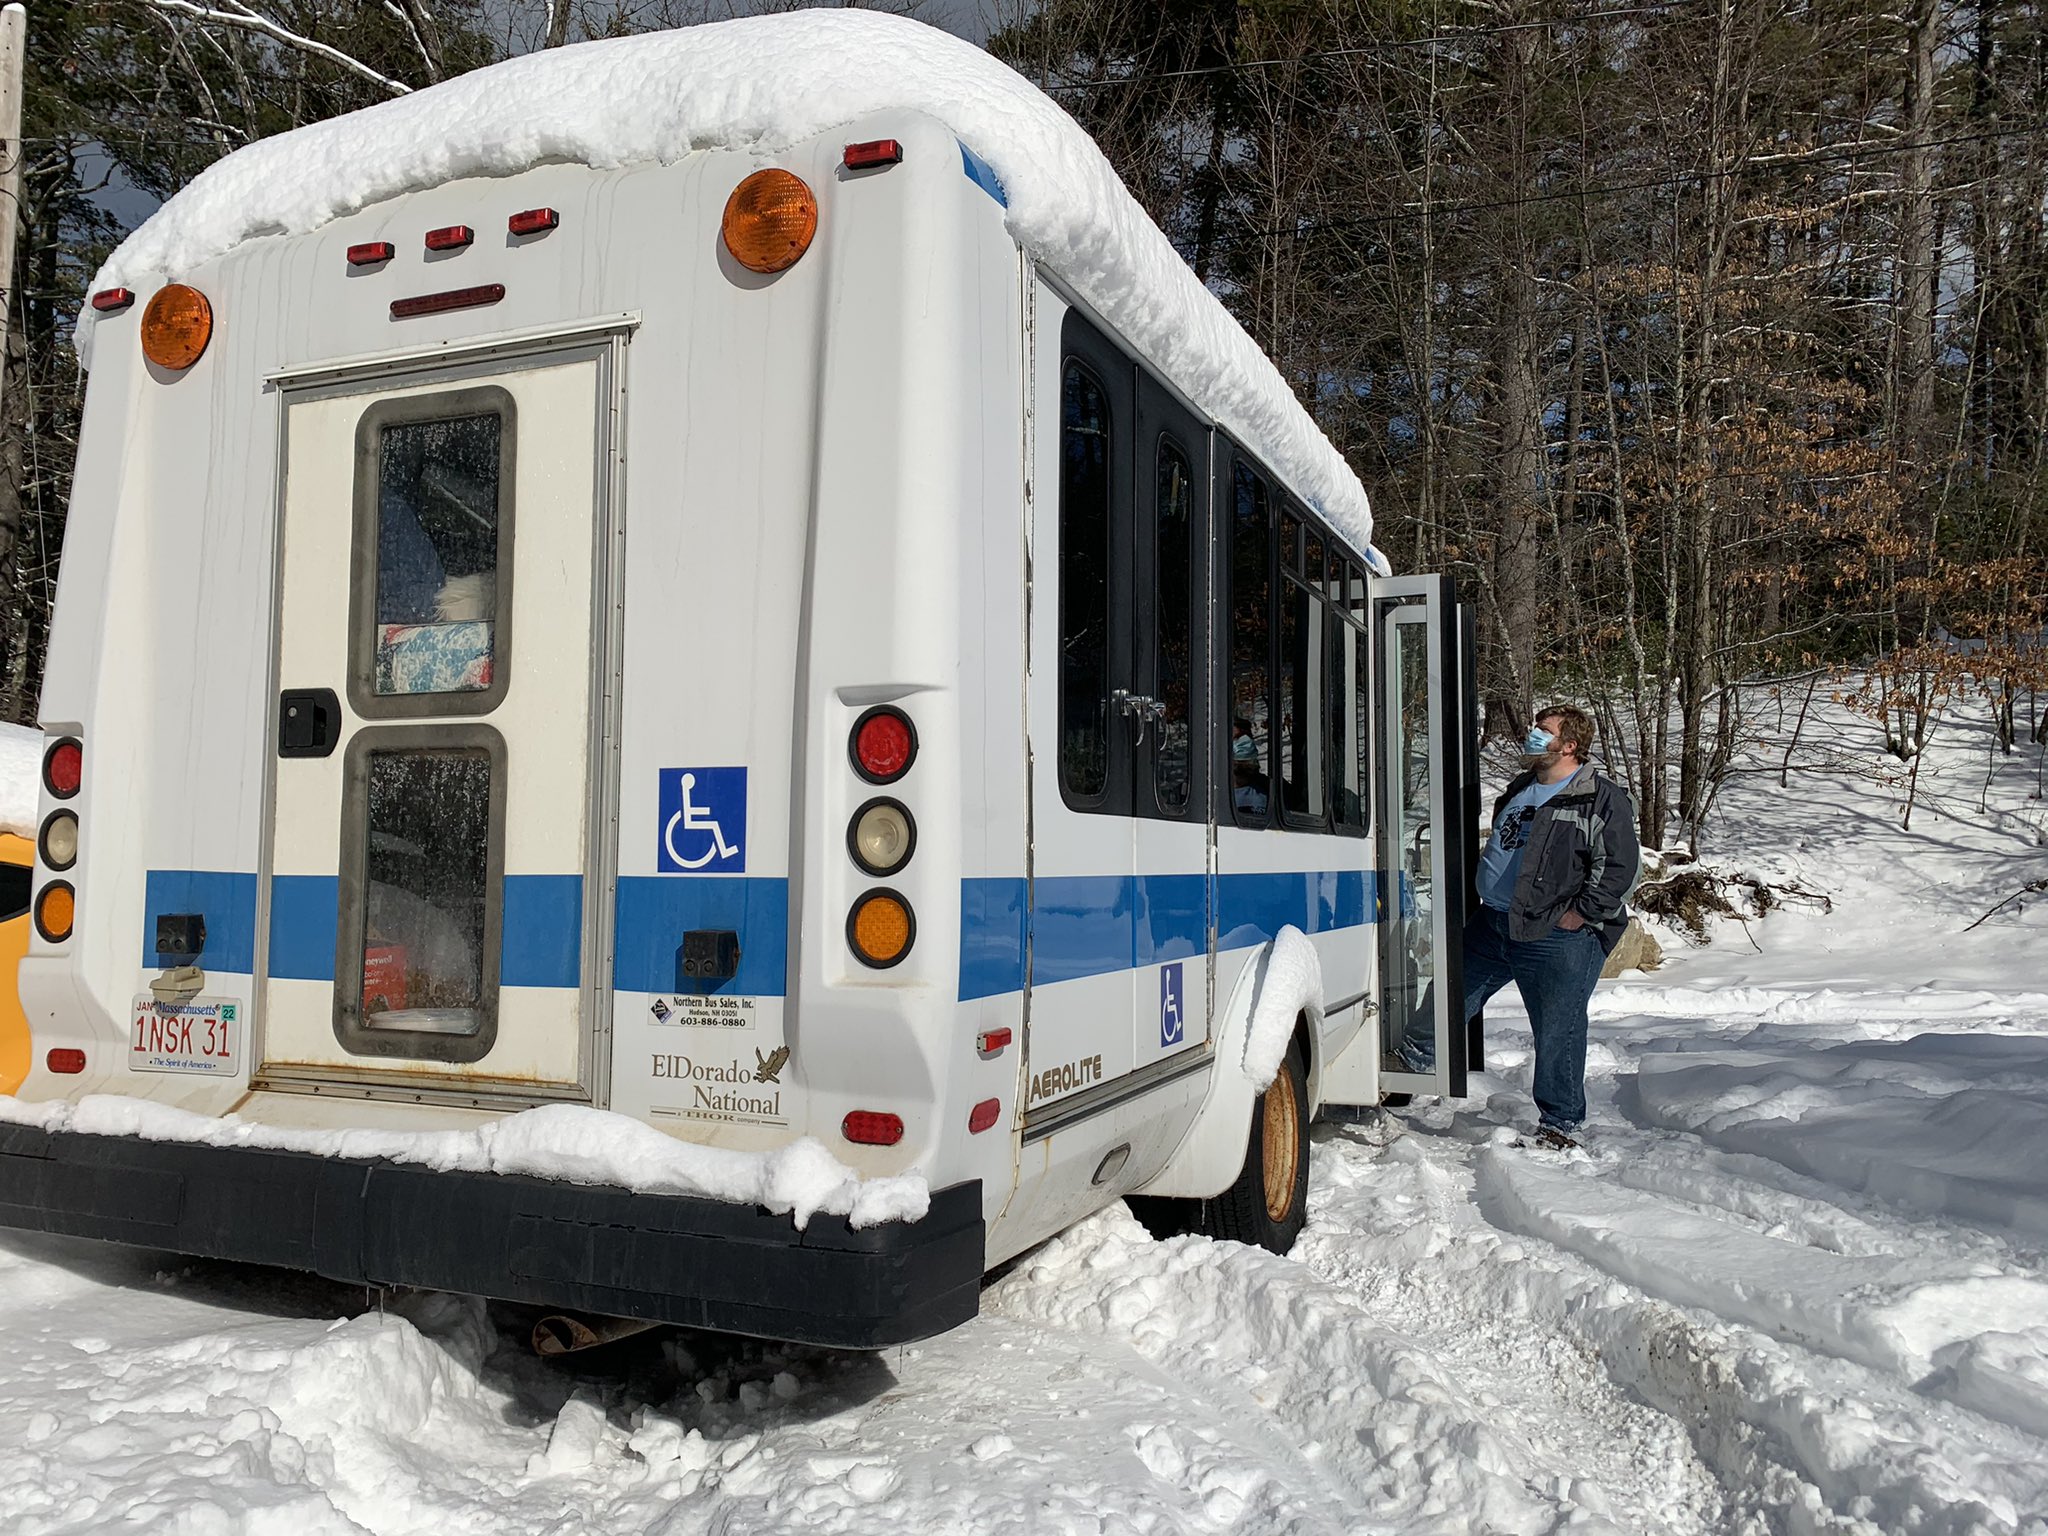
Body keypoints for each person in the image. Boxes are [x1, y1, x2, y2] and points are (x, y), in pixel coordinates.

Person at [1460, 704, 1639, 1148]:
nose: (1532, 737)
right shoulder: (1522, 787)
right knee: (1447, 1000)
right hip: (1492, 922)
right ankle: (1404, 1076)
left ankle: (1561, 1123)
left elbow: (1621, 868)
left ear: (1569, 745)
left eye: (1543, 731)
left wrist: (1580, 913)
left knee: (1557, 1026)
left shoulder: (1599, 797)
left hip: (1554, 933)